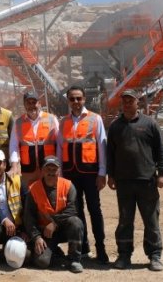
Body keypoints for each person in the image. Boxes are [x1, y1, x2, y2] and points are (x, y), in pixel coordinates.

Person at [106, 88, 163, 272]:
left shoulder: (150, 124)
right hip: (124, 182)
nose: (127, 103)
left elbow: (161, 150)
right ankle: (124, 255)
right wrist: (111, 175)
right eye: (124, 101)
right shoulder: (116, 126)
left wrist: (162, 173)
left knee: (151, 220)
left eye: (130, 100)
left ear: (137, 102)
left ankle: (155, 255)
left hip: (147, 180)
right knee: (125, 220)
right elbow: (110, 154)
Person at [57, 85, 109, 264]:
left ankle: (101, 249)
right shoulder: (63, 122)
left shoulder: (95, 119)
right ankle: (83, 247)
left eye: (79, 98)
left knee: (95, 211)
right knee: (76, 212)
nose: (76, 102)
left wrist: (102, 173)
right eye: (72, 99)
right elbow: (60, 148)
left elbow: (102, 146)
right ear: (68, 101)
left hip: (90, 173)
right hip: (70, 174)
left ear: (84, 99)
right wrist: (60, 174)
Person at [23, 155, 84, 273]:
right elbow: (28, 217)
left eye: (54, 169)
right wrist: (37, 237)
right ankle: (55, 253)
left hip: (64, 230)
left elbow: (73, 209)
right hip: (45, 233)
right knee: (42, 262)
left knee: (76, 222)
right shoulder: (34, 189)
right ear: (42, 171)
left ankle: (74, 260)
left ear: (59, 171)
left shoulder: (68, 185)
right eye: (47, 169)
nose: (51, 172)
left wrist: (55, 223)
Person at [9, 89, 58, 185]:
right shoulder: (18, 122)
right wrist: (14, 166)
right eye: (28, 102)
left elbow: (60, 144)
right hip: (28, 171)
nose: (31, 105)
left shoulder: (52, 119)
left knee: (48, 197)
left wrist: (59, 165)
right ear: (24, 104)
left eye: (34, 102)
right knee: (29, 197)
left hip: (48, 169)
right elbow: (13, 146)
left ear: (39, 103)